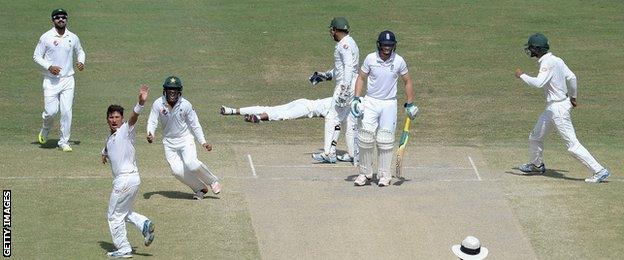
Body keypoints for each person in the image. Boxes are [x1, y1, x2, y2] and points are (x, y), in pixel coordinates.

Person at [515, 33, 610, 183]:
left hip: (558, 109)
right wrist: (573, 97)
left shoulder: (547, 63)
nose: (530, 50)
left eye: (532, 48)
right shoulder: (557, 60)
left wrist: (522, 76)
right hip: (555, 106)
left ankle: (599, 170)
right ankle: (536, 165)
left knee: (572, 145)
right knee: (535, 137)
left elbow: (539, 83)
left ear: (537, 49)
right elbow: (572, 77)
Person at [351, 30, 418, 187]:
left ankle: (384, 174)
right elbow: (361, 77)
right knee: (365, 137)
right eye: (384, 45)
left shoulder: (399, 61)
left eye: (390, 45)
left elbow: (407, 81)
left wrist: (410, 103)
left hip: (389, 103)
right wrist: (356, 98)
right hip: (371, 101)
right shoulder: (370, 58)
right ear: (379, 44)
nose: (387, 48)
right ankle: (365, 173)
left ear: (393, 45)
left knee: (385, 139)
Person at [147, 76, 221, 200]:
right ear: (165, 90)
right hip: (169, 143)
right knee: (176, 171)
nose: (172, 92)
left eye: (175, 90)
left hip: (185, 139)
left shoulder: (185, 104)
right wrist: (150, 133)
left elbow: (195, 124)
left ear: (179, 91)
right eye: (169, 89)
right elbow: (152, 121)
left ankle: (212, 181)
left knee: (191, 164)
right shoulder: (158, 103)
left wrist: (203, 142)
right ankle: (200, 188)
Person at [101, 85, 155, 258]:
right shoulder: (111, 138)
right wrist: (104, 153)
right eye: (111, 117)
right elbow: (110, 146)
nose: (114, 120)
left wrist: (140, 104)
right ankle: (144, 223)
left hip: (124, 181)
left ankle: (124, 249)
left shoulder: (125, 129)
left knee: (113, 216)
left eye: (117, 117)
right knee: (122, 212)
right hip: (133, 180)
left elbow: (133, 119)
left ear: (121, 119)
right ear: (107, 119)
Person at [220, 97, 356, 162]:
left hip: (304, 102)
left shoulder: (340, 101)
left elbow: (338, 127)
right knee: (281, 116)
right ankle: (258, 117)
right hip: (306, 109)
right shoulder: (343, 109)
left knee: (270, 109)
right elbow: (337, 127)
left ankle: (231, 111)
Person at [33, 8, 86, 152]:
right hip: (51, 81)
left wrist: (81, 61)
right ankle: (45, 129)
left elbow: (80, 51)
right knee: (51, 112)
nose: (61, 19)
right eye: (57, 17)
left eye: (63, 17)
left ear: (66, 19)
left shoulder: (73, 37)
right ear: (53, 20)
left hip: (68, 79)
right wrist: (49, 67)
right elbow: (36, 56)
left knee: (66, 111)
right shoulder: (46, 37)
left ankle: (64, 141)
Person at [309, 17, 360, 164]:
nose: (331, 33)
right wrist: (327, 75)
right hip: (352, 84)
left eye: (332, 30)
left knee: (332, 118)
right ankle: (353, 154)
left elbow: (349, 67)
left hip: (346, 85)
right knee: (349, 120)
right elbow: (342, 68)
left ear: (335, 30)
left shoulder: (343, 45)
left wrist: (344, 89)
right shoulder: (351, 42)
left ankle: (328, 153)